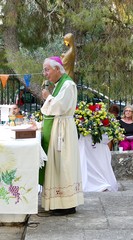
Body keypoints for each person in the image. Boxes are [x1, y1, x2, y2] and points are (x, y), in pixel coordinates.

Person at [40, 56, 84, 216]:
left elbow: (60, 107)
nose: (45, 73)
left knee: (63, 165)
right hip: (57, 128)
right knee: (56, 165)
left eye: (47, 69)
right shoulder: (60, 84)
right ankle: (58, 202)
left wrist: (48, 97)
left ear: (57, 69)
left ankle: (67, 204)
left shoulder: (68, 84)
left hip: (63, 130)